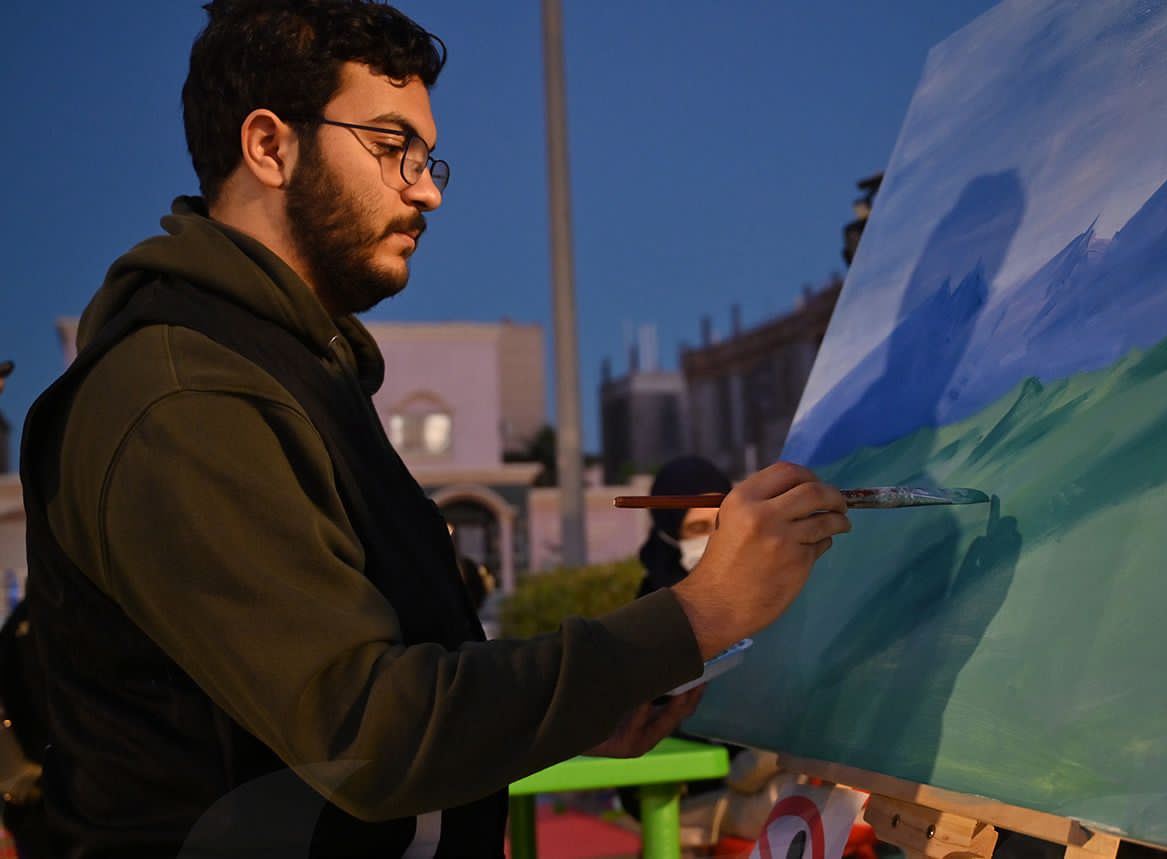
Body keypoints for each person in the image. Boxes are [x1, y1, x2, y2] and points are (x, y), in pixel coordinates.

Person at [18, 2, 851, 857]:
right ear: (269, 146)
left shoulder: (294, 372)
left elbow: (396, 699)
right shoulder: (185, 400)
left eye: (426, 157)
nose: (427, 190)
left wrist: (575, 714)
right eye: (391, 147)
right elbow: (373, 732)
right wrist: (697, 613)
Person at [635, 455, 734, 599]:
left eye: (723, 522)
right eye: (699, 528)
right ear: (670, 533)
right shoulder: (654, 606)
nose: (716, 537)